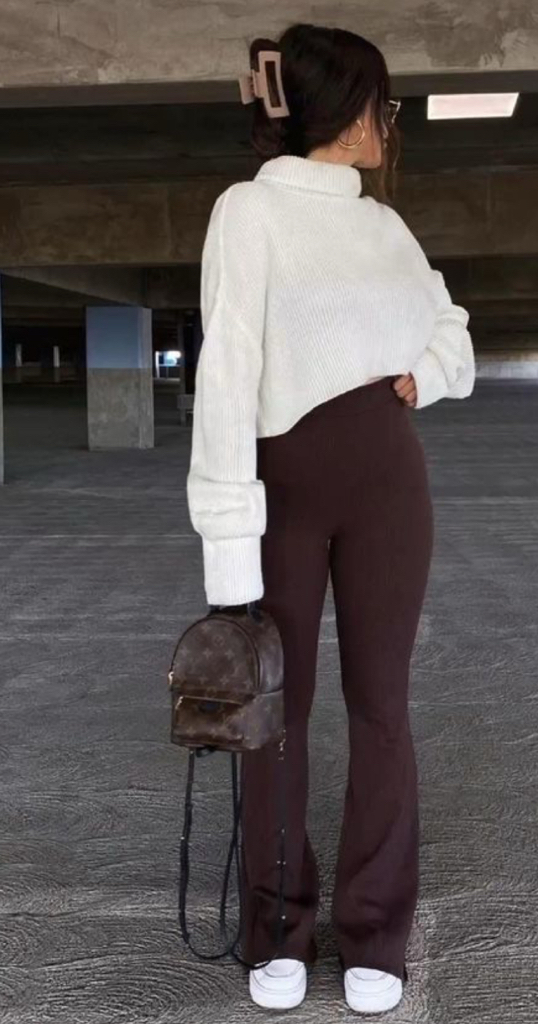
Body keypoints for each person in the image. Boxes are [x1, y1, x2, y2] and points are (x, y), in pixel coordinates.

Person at [186, 22, 475, 1015]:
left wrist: (426, 370)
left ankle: (375, 930)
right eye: (384, 108)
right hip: (284, 495)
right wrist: (227, 542)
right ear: (351, 113)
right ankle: (276, 926)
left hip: (392, 490)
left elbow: (449, 323)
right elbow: (226, 370)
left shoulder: (386, 227)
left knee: (381, 707)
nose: (389, 126)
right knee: (275, 708)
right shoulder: (249, 212)